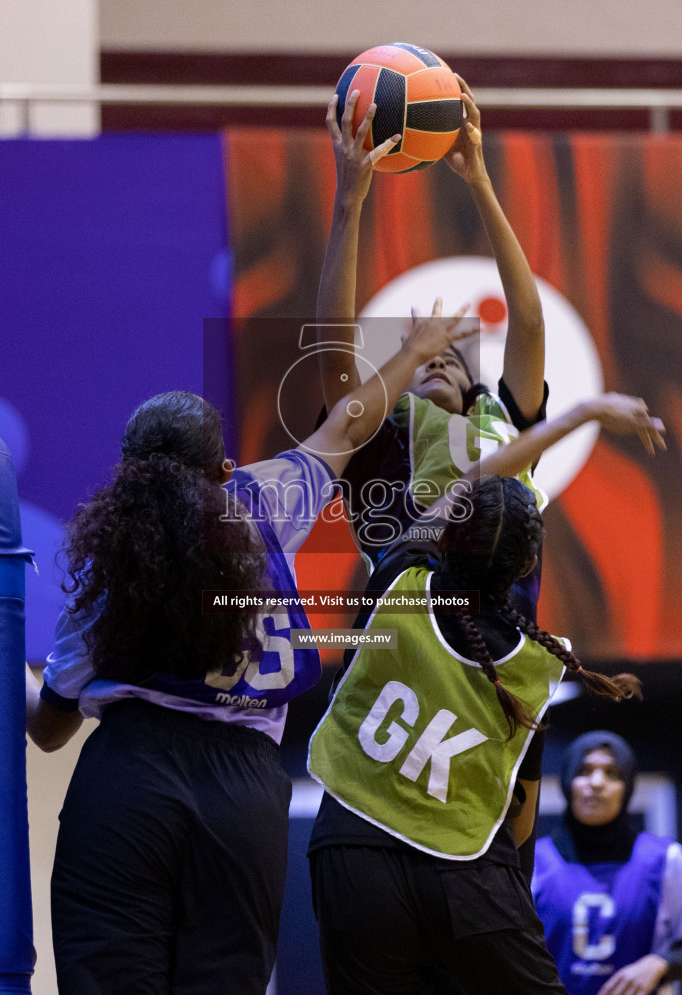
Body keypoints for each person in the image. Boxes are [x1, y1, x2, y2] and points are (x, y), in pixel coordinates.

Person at [23, 307, 470, 995]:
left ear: (128, 472)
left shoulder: (111, 570)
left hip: (131, 779)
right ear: (225, 467)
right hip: (246, 795)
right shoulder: (261, 496)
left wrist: (9, 676)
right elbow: (349, 424)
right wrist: (413, 352)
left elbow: (49, 730)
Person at [306, 398, 665, 995]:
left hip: (353, 850)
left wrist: (579, 416)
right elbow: (521, 822)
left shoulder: (398, 581)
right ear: (528, 562)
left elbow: (467, 487)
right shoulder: (538, 664)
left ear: (444, 538)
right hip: (467, 871)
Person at [316, 76, 547, 614]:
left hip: (497, 639)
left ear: (474, 388)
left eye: (451, 360)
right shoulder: (376, 440)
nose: (437, 360)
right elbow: (333, 350)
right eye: (426, 360)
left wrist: (480, 182)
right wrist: (349, 200)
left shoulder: (506, 425)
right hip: (406, 632)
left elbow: (529, 324)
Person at [533, 731, 682, 995]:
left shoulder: (666, 860)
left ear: (628, 787)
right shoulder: (533, 863)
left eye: (612, 773)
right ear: (568, 781)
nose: (597, 783)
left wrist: (663, 963)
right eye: (584, 771)